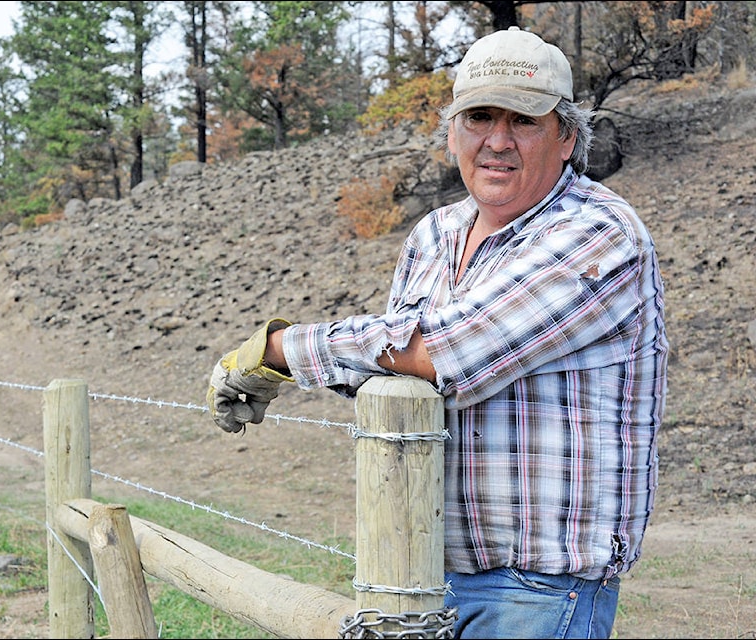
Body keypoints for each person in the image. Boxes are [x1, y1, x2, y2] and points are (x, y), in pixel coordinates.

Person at [206, 26, 668, 640]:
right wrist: (335, 360)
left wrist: (280, 351)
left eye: (525, 121)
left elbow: (447, 352)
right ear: (452, 133)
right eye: (479, 117)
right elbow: (393, 369)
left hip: (537, 593)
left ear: (567, 139)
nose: (497, 141)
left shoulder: (599, 233)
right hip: (419, 573)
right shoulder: (434, 235)